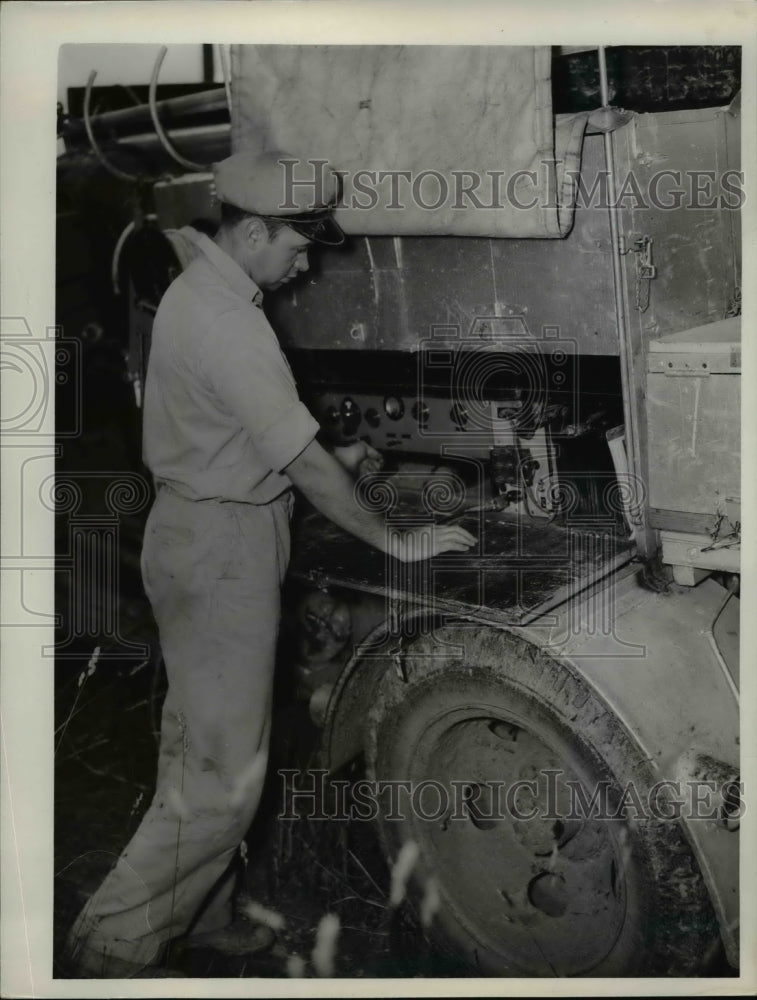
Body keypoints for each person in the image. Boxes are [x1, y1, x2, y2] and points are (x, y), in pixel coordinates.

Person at [65, 150, 476, 978]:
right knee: (225, 780)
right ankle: (107, 946)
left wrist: (342, 452)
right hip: (223, 550)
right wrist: (396, 538)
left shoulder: (203, 294)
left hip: (197, 532)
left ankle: (204, 918)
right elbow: (303, 465)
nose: (304, 263)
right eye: (297, 246)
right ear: (253, 230)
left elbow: (257, 437)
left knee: (199, 750)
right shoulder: (229, 322)